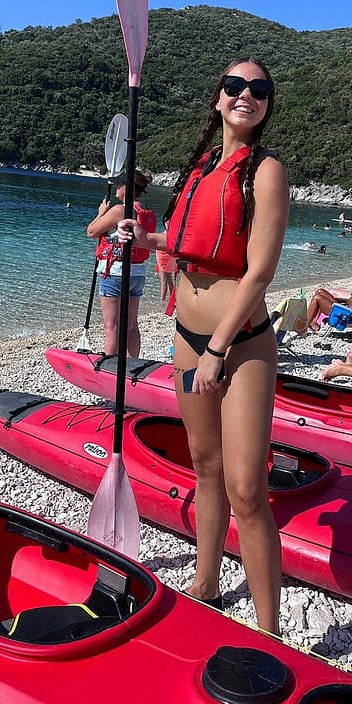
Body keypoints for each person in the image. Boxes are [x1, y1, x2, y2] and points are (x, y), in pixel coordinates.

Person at [117, 58, 289, 634]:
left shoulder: (265, 172)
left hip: (238, 346)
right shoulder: (201, 167)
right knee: (204, 465)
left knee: (247, 488)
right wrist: (144, 236)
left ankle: (270, 630)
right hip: (188, 340)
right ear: (218, 99)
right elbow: (191, 239)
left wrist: (217, 348)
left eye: (258, 90)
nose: (246, 96)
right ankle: (207, 580)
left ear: (266, 104)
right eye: (235, 87)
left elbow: (259, 273)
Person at [86, 169, 156, 358]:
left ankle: (109, 365)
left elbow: (91, 231)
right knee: (131, 326)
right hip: (138, 273)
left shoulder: (119, 210)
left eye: (120, 183)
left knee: (112, 326)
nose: (117, 186)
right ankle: (132, 364)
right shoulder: (145, 210)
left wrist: (101, 213)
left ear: (129, 187)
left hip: (115, 272)